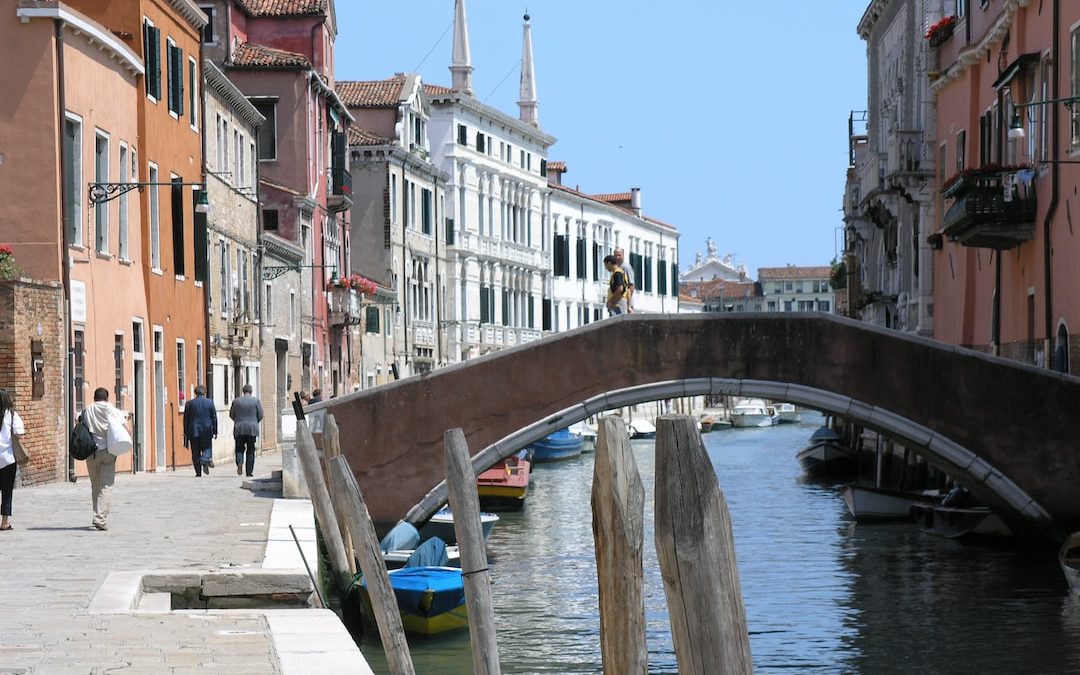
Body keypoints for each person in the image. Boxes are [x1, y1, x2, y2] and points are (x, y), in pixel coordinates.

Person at [82, 387, 129, 531]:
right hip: (109, 451)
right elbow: (127, 429)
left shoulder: (88, 410)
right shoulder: (112, 410)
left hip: (91, 452)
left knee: (95, 484)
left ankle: (97, 513)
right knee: (106, 485)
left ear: (94, 397)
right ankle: (100, 518)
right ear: (107, 398)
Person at [0, 388, 25, 531]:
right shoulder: (11, 415)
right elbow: (20, 433)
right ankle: (4, 522)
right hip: (7, 459)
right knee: (7, 491)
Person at [229, 384, 264, 477]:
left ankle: (239, 463)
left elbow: (231, 415)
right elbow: (260, 415)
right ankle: (249, 472)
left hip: (239, 428)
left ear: (243, 391)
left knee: (239, 448)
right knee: (251, 450)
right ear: (251, 391)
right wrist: (255, 421)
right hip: (252, 428)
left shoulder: (236, 401)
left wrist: (238, 421)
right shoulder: (256, 401)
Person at [182, 385, 218, 477]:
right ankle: (204, 458)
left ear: (195, 392)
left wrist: (185, 433)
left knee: (195, 452)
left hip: (193, 431)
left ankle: (198, 472)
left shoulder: (189, 404)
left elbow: (186, 419)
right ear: (204, 392)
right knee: (207, 448)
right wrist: (215, 431)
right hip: (206, 430)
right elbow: (214, 417)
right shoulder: (209, 402)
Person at [613, 247, 635, 314]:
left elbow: (631, 285)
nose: (617, 257)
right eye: (616, 255)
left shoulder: (626, 267)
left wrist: (629, 303)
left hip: (624, 300)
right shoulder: (616, 268)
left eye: (619, 255)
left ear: (623, 256)